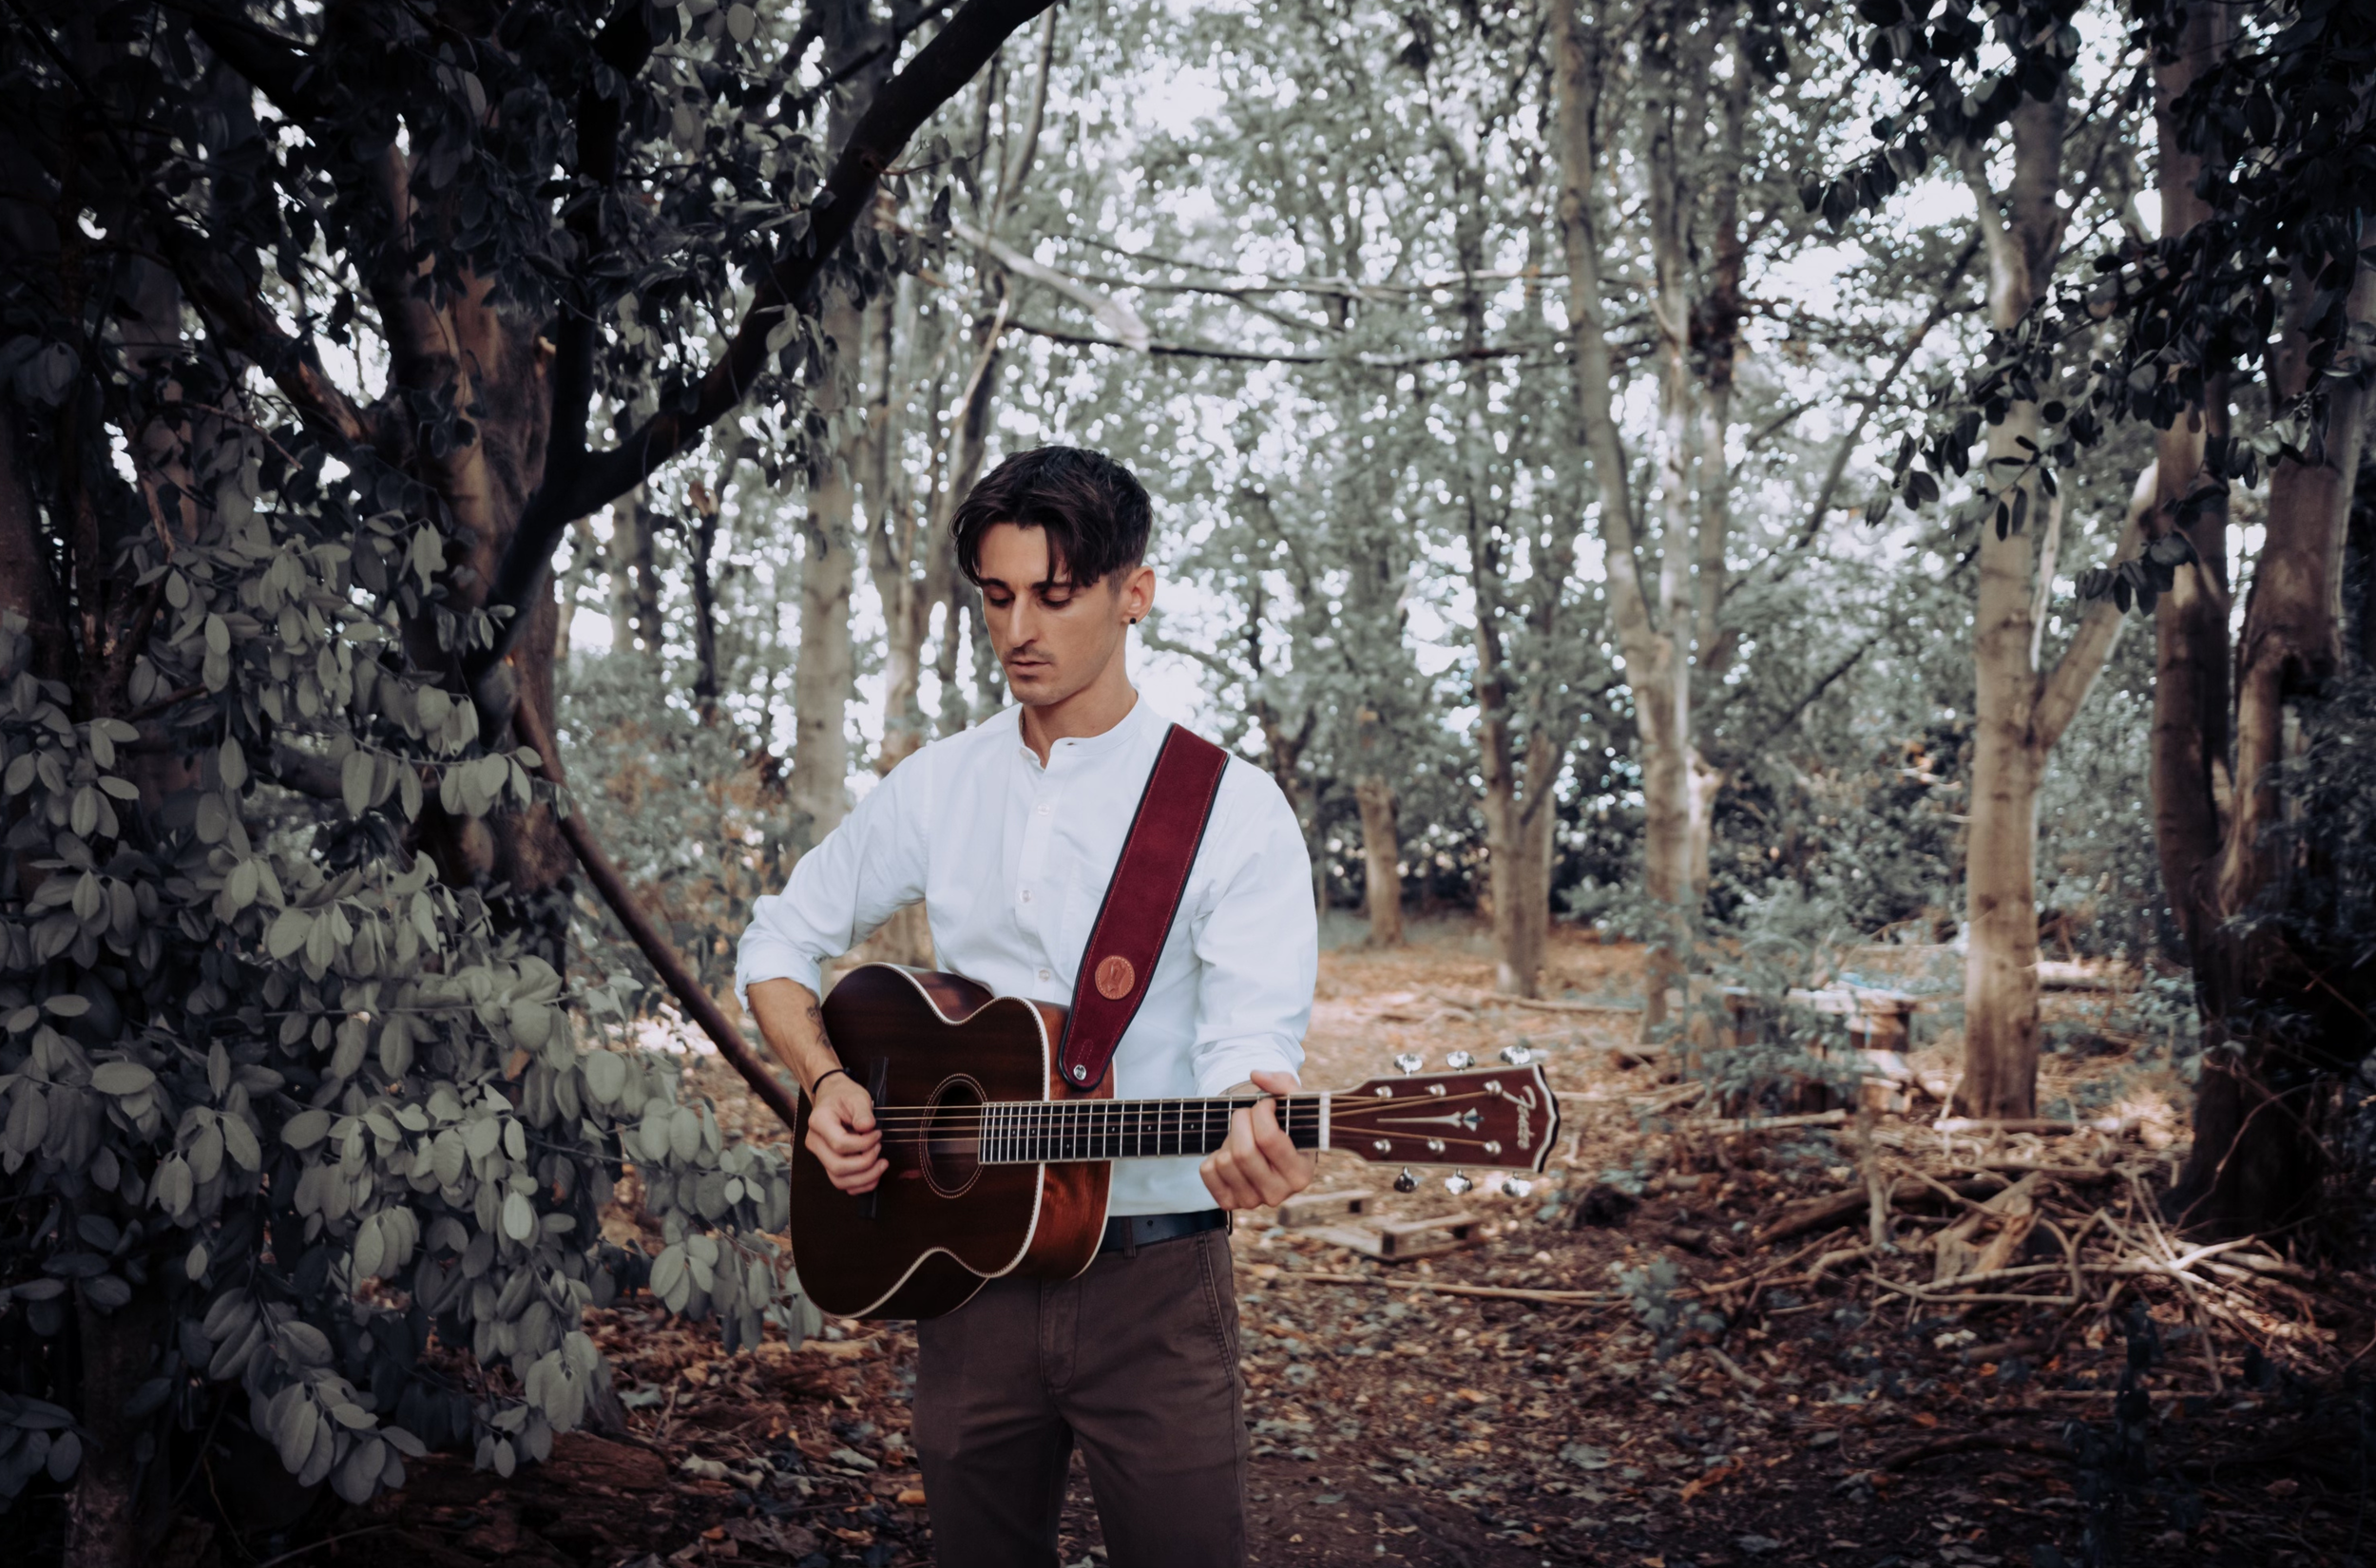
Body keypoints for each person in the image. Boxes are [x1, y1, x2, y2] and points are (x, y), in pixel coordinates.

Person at [735, 445, 1320, 1568]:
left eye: (1054, 597)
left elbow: (1249, 1037)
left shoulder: (1232, 811)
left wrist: (1255, 1110)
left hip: (1155, 1282)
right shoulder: (940, 784)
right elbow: (779, 937)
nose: (1019, 632)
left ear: (1131, 592)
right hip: (967, 1275)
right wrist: (828, 1083)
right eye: (997, 598)